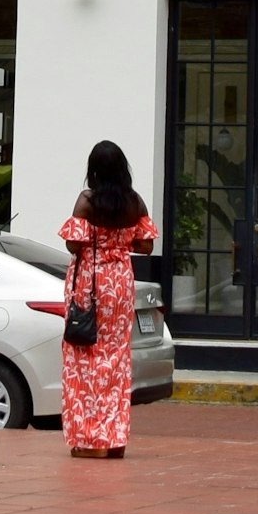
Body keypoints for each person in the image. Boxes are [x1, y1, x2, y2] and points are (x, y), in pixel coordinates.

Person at [57, 141, 154, 459]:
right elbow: (146, 246)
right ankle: (114, 440)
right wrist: (119, 242)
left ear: (94, 170)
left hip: (91, 285)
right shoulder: (134, 202)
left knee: (84, 361)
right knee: (115, 361)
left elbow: (73, 245)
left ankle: (90, 441)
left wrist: (98, 241)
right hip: (121, 286)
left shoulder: (87, 201)